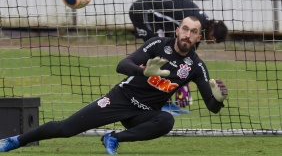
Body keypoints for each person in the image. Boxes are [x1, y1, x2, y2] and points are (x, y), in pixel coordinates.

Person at [0, 16, 228, 155]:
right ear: (177, 30)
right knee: (66, 128)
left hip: (145, 113)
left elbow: (212, 106)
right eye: (185, 29)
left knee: (166, 120)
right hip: (121, 98)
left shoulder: (196, 66)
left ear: (198, 38)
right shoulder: (158, 44)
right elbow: (122, 65)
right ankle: (14, 141)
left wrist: (218, 99)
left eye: (194, 32)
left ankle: (114, 138)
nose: (188, 34)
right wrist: (143, 71)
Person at [129, 0, 228, 115]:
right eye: (215, 40)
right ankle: (155, 101)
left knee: (167, 57)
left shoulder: (200, 25)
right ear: (212, 32)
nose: (212, 43)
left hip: (153, 15)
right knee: (159, 56)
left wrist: (183, 89)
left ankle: (166, 101)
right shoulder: (194, 24)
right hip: (141, 11)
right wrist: (183, 90)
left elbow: (186, 62)